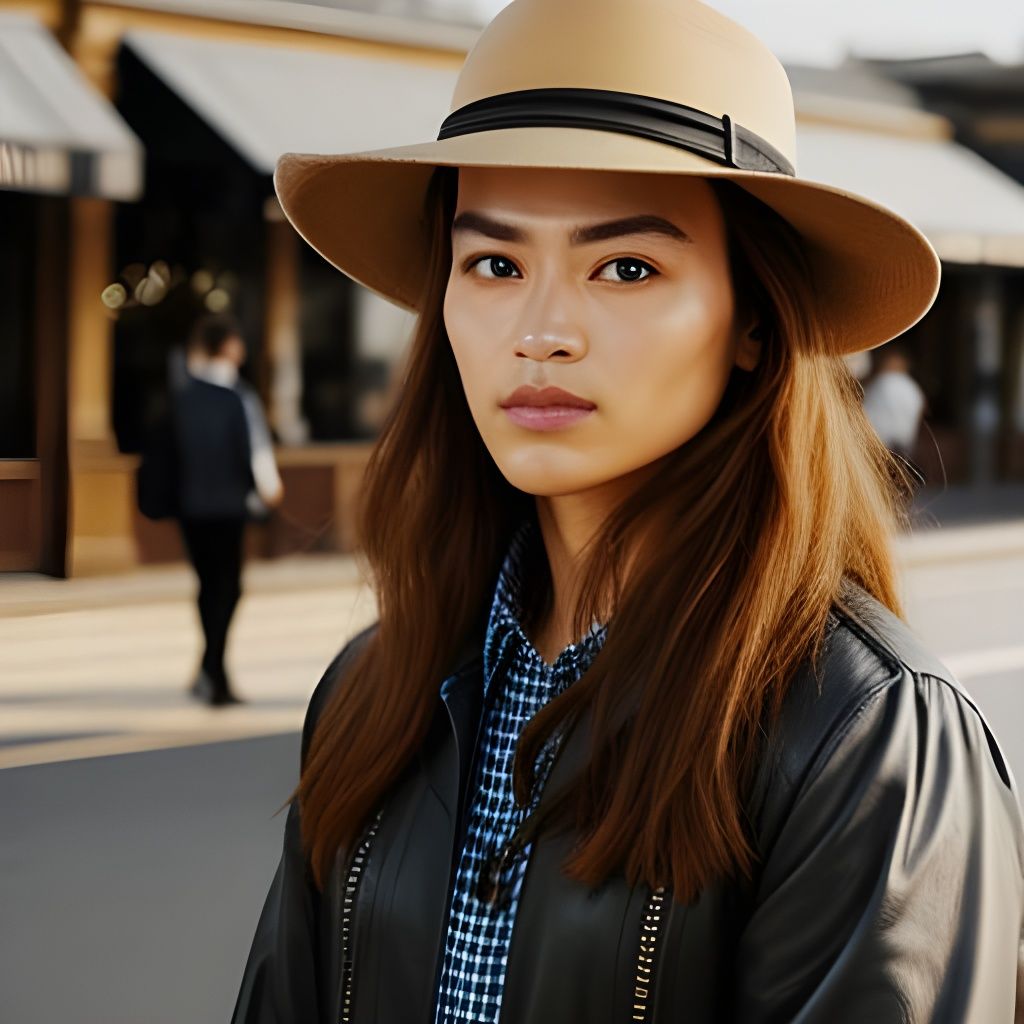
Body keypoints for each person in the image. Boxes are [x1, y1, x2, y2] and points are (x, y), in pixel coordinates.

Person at [231, 1, 1024, 1020]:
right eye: (495, 264)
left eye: (626, 267)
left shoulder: (864, 739)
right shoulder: (371, 692)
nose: (542, 330)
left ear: (749, 317)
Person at [174, 313, 284, 706]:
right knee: (228, 588)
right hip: (228, 508)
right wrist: (270, 491)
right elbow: (255, 450)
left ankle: (208, 668)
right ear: (230, 346)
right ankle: (214, 671)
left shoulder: (184, 397)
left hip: (191, 507)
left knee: (207, 586)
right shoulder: (240, 396)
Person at [862, 343, 928, 461]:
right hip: (905, 442)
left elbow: (864, 410)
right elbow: (921, 411)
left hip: (879, 443)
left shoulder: (879, 382)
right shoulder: (911, 386)